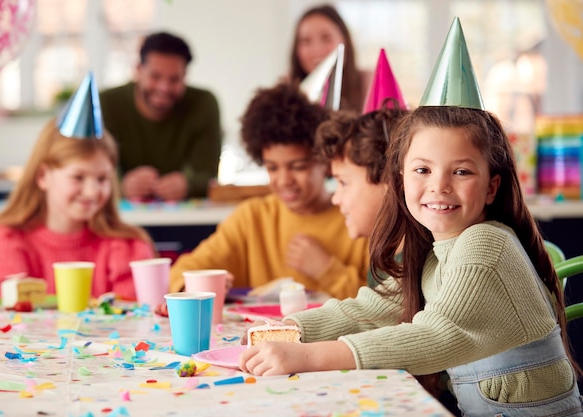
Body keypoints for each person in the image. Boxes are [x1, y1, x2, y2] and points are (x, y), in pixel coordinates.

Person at [240, 18, 583, 416]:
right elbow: (371, 308)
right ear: (400, 179)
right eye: (423, 170)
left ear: (492, 187)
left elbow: (437, 336)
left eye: (462, 171)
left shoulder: (486, 245)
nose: (438, 186)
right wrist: (292, 329)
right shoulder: (436, 253)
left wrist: (308, 357)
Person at [169, 82, 369, 300]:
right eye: (272, 167)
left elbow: (382, 306)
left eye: (298, 166)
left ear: (325, 162)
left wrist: (327, 270)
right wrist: (193, 289)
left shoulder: (358, 218)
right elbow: (185, 271)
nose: (284, 180)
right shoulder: (252, 218)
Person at [0, 73, 155, 301]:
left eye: (102, 179)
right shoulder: (1, 243)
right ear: (42, 176)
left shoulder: (128, 248)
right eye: (78, 177)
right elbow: (3, 326)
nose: (92, 191)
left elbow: (137, 326)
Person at [99, 32, 222, 202]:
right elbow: (90, 166)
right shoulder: (105, 103)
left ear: (185, 76)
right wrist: (120, 184)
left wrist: (188, 184)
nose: (164, 87)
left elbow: (207, 173)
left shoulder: (204, 103)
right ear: (138, 70)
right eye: (155, 76)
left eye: (174, 79)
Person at [316, 106, 406, 287]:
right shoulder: (383, 256)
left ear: (390, 180)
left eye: (343, 183)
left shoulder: (422, 261)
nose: (335, 198)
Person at [288, 4, 366, 113]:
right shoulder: (284, 97)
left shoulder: (369, 85)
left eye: (327, 38)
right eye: (306, 41)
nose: (317, 50)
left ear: (345, 41)